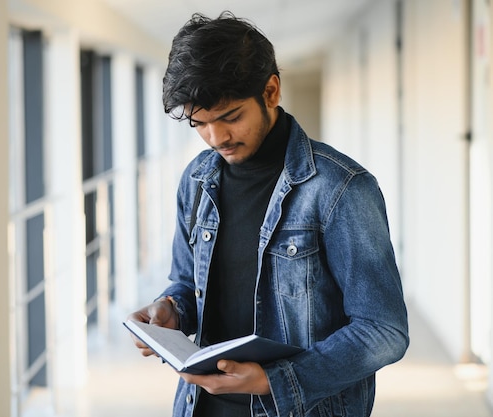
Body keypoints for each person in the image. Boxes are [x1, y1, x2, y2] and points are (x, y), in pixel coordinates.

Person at [127, 11, 409, 417]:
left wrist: (276, 380)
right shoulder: (196, 179)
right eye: (200, 124)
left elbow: (385, 330)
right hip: (200, 406)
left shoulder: (340, 188)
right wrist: (170, 308)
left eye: (231, 117)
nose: (216, 138)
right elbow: (187, 282)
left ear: (272, 90)